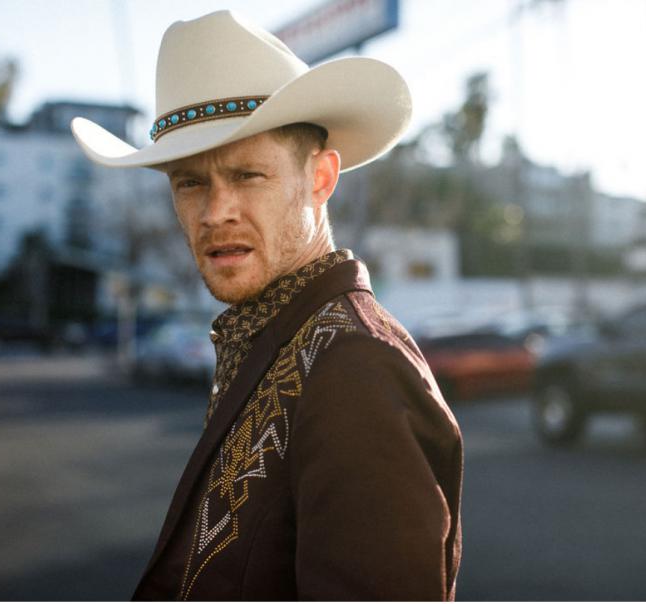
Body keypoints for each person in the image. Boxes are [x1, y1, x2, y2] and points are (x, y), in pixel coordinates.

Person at [72, 10, 463, 601]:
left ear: (321, 180)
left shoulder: (355, 365)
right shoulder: (279, 335)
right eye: (190, 182)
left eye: (248, 174)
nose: (215, 212)